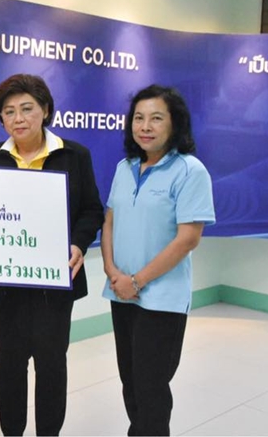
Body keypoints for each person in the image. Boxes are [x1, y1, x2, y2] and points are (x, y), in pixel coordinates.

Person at [0, 74, 104, 436]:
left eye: (27, 109)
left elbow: (92, 210)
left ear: (45, 110)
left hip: (55, 284)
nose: (18, 118)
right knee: (9, 365)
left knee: (52, 365)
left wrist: (78, 244)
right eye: (9, 111)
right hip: (7, 286)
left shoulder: (75, 155)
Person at [101, 84, 215, 436]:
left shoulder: (190, 170)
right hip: (121, 292)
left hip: (161, 299)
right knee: (130, 381)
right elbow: (110, 220)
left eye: (156, 118)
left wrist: (137, 280)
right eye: (138, 118)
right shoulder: (125, 167)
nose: (145, 126)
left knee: (151, 387)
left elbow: (188, 238)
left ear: (174, 123)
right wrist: (112, 271)